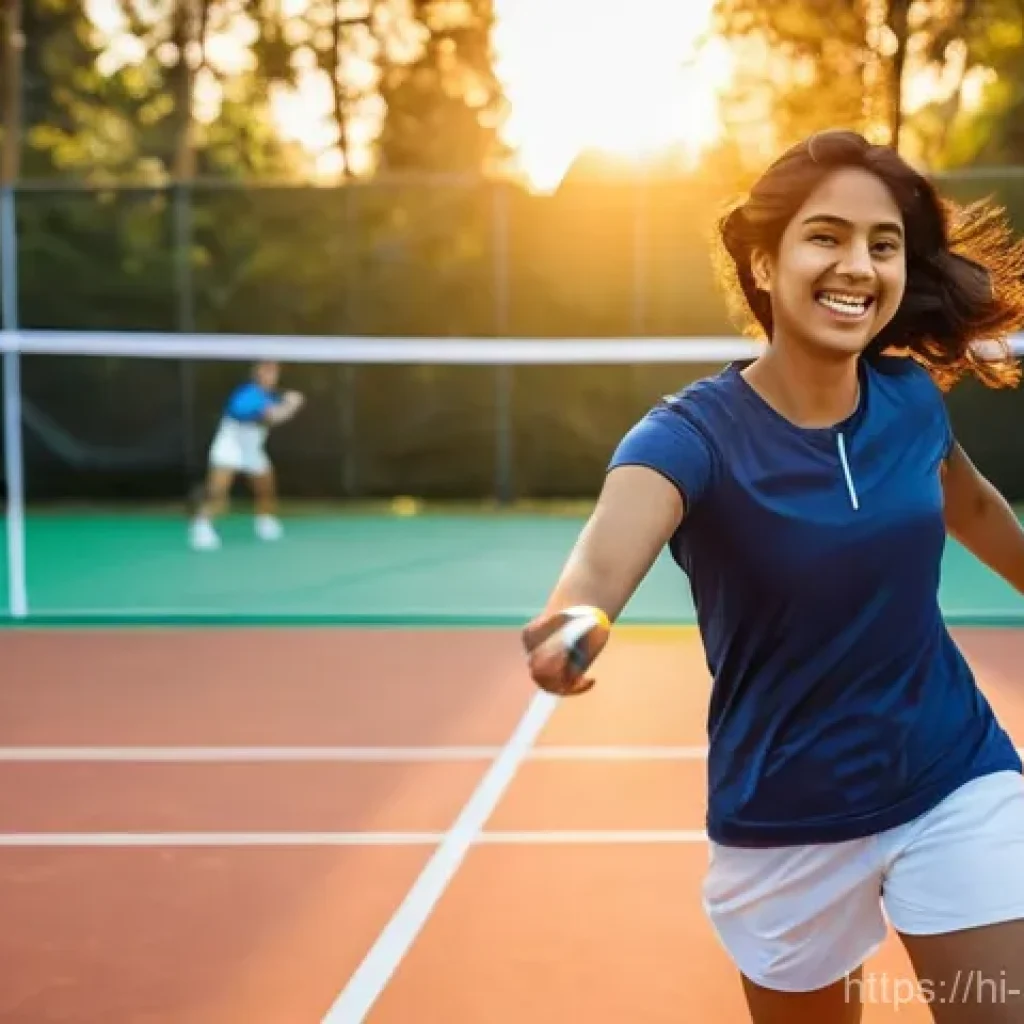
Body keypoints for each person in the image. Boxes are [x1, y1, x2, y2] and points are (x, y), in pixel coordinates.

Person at [522, 129, 1024, 1023]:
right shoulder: (688, 437)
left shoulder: (909, 399)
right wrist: (574, 617)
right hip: (785, 820)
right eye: (825, 236)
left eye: (884, 244)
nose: (858, 265)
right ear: (765, 259)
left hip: (954, 774)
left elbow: (975, 508)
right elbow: (604, 553)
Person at [189, 360, 304, 550]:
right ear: (257, 374)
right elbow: (267, 417)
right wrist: (290, 406)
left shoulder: (271, 396)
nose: (271, 376)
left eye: (273, 373)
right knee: (218, 494)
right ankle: (202, 527)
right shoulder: (246, 395)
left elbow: (275, 411)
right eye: (266, 372)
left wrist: (288, 404)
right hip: (229, 448)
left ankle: (265, 523)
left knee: (266, 487)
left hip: (252, 450)